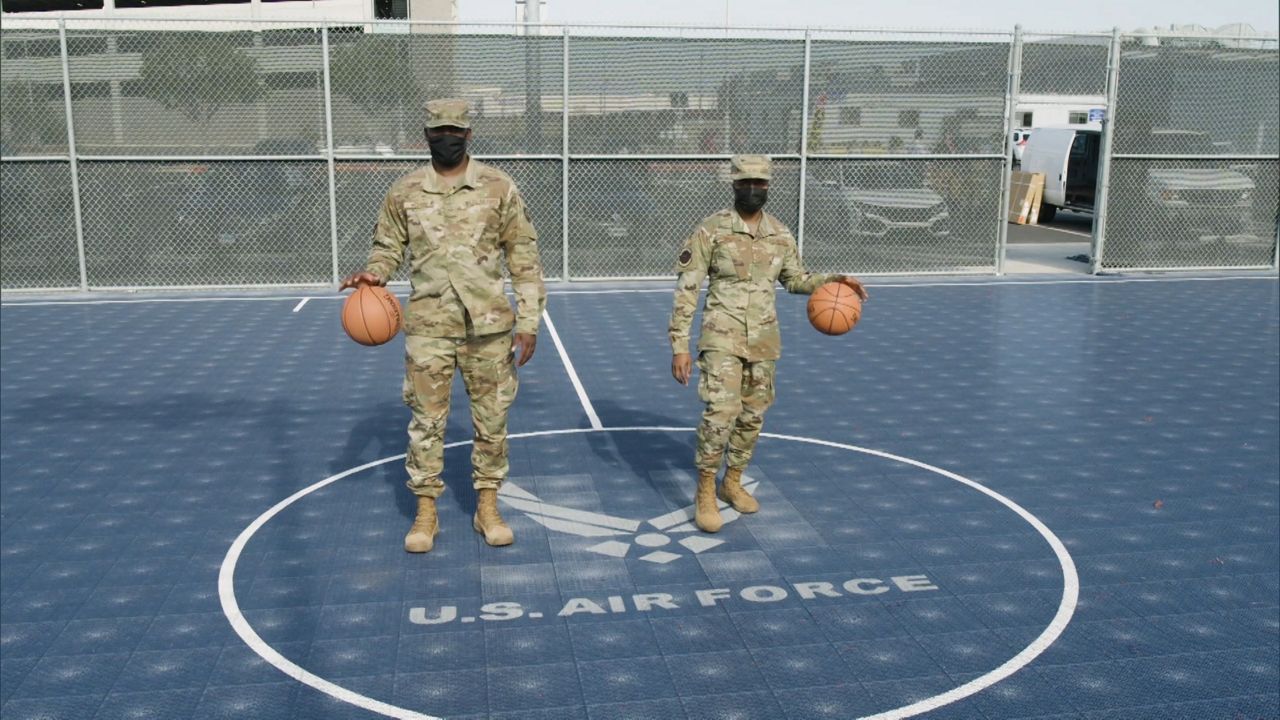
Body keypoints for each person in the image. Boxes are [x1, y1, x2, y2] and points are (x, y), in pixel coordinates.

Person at [340, 99, 546, 553]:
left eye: (455, 130)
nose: (447, 138)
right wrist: (375, 273)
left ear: (469, 134)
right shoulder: (405, 192)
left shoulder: (499, 188)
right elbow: (387, 247)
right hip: (429, 326)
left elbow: (524, 259)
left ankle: (487, 507)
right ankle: (426, 513)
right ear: (427, 135)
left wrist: (529, 321)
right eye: (439, 131)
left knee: (492, 423)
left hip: (489, 329)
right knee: (426, 423)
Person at [668, 155, 868, 533]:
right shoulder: (711, 230)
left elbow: (795, 278)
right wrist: (679, 343)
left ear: (768, 186)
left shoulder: (780, 233)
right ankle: (706, 489)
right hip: (721, 338)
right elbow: (687, 289)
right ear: (734, 184)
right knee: (720, 414)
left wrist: (835, 281)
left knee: (752, 416)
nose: (753, 189)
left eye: (760, 183)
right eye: (746, 182)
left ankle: (733, 481)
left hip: (764, 339)